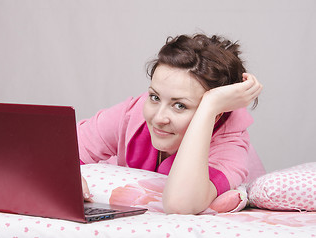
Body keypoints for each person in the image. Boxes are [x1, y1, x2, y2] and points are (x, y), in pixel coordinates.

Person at [77, 33, 265, 215]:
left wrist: (210, 106)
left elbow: (180, 203)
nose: (159, 118)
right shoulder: (132, 114)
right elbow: (59, 148)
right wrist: (70, 177)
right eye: (155, 97)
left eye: (180, 105)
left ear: (217, 114)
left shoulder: (229, 145)